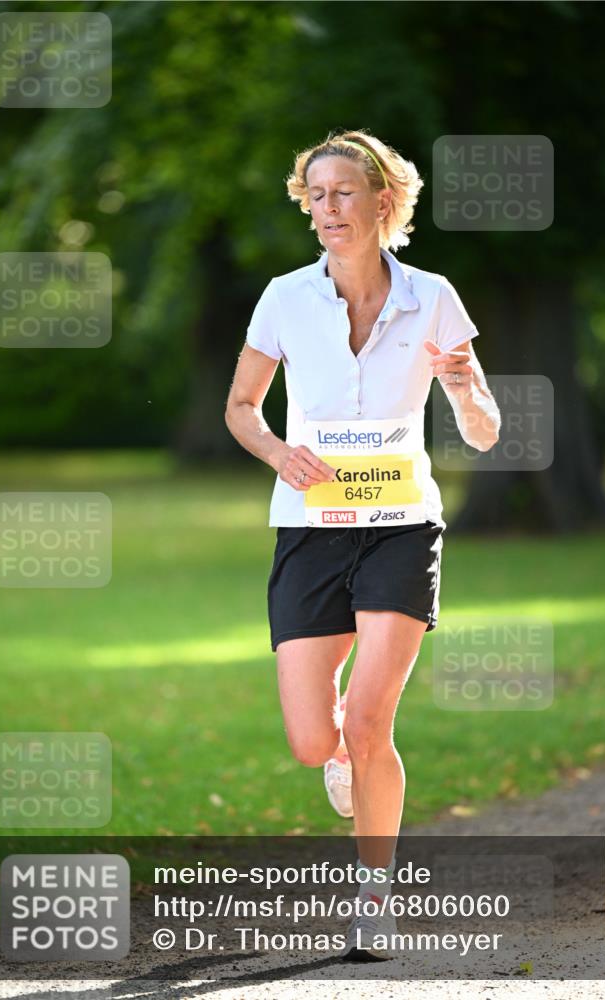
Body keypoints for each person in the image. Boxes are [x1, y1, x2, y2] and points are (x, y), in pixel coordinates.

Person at [225, 128, 501, 960]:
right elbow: (241, 406)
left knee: (373, 721)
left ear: (385, 200)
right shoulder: (282, 298)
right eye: (315, 194)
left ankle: (373, 898)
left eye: (343, 192)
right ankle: (338, 751)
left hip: (401, 526)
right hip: (309, 529)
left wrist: (459, 385)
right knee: (317, 740)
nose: (326, 209)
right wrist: (279, 452)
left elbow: (484, 433)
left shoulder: (433, 297)